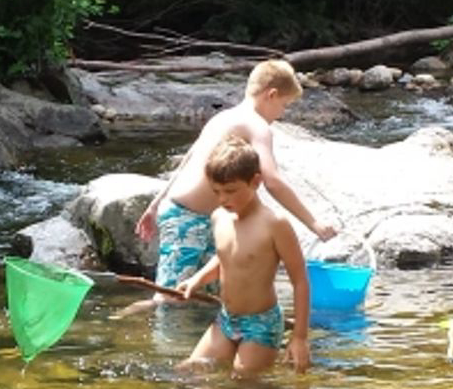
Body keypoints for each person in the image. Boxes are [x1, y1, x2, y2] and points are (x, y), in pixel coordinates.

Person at [125, 59, 336, 316]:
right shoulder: (257, 126)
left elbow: (189, 159)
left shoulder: (224, 117)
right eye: (284, 105)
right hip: (187, 218)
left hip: (197, 215)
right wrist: (313, 223)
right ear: (271, 95)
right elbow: (272, 181)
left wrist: (155, 204)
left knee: (206, 296)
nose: (282, 113)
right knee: (171, 297)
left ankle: (198, 348)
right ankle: (129, 321)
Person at [177, 135, 310, 376]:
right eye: (216, 191)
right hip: (227, 319)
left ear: (255, 181)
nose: (223, 199)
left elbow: (300, 281)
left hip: (261, 324)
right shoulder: (219, 216)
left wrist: (299, 338)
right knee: (189, 372)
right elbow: (226, 257)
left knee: (242, 384)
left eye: (230, 191)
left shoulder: (274, 224)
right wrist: (197, 279)